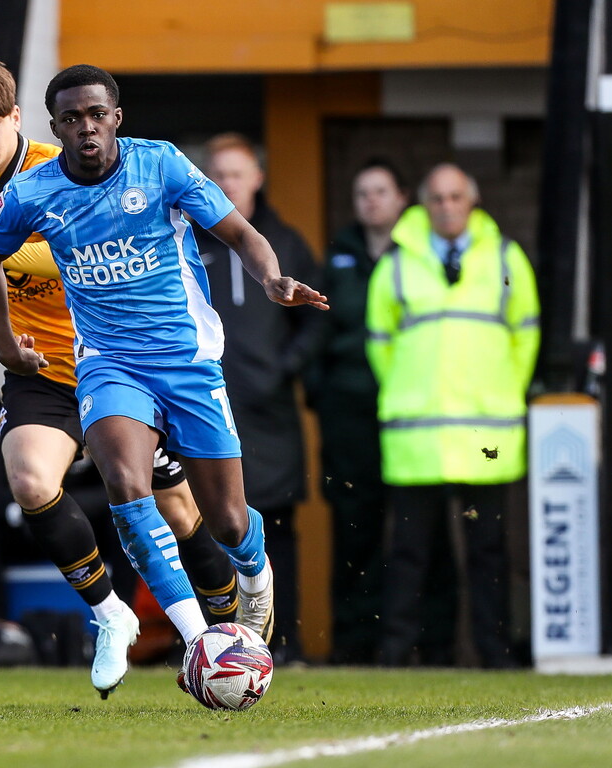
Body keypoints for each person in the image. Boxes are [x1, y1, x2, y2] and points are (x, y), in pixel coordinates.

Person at [0, 57, 238, 696]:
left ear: (18, 119)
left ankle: (235, 634)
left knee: (182, 514)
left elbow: (64, 251)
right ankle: (110, 614)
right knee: (28, 480)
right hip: (37, 365)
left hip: (117, 363)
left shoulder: (61, 166)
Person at [0, 64, 328, 689]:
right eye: (71, 118)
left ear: (116, 118)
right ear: (55, 127)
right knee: (126, 485)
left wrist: (272, 279)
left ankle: (255, 576)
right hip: (109, 364)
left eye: (96, 115)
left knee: (227, 521)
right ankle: (197, 639)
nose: (86, 127)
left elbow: (239, 231)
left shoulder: (159, 164)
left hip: (187, 360)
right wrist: (7, 347)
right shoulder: (32, 193)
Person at [366, 163, 540, 668]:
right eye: (437, 198)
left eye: (455, 196)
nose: (446, 207)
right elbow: (380, 343)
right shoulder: (397, 262)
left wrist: (502, 391)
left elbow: (526, 335)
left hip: (487, 431)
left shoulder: (506, 257)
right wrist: (408, 392)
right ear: (424, 204)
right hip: (418, 436)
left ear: (472, 200)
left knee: (489, 554)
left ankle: (495, 653)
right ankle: (396, 654)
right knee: (409, 555)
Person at [194, 132, 323, 664]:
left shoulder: (285, 243)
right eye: (218, 175)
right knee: (209, 526)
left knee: (277, 530)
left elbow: (317, 321)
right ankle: (214, 646)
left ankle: (283, 644)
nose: (227, 184)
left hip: (270, 415)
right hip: (205, 405)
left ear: (257, 179)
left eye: (236, 174)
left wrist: (283, 368)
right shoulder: (188, 238)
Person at [313, 158, 409, 664]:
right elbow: (317, 333)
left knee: (416, 535)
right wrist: (321, 394)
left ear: (401, 199)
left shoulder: (418, 255)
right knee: (355, 531)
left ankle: (417, 643)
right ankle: (354, 645)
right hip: (348, 413)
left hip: (409, 411)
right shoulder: (339, 257)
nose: (371, 201)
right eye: (362, 193)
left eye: (380, 190)